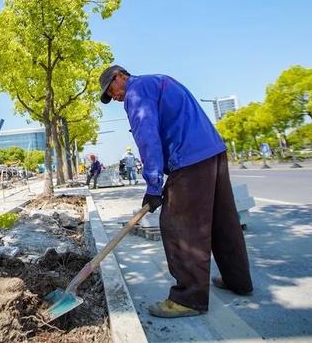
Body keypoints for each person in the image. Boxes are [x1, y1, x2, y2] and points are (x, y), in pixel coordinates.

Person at [99, 64, 252, 318]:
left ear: (120, 76)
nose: (113, 97)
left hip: (188, 157)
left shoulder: (136, 91)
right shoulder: (159, 80)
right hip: (212, 151)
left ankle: (189, 298)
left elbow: (147, 137)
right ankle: (239, 281)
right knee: (223, 221)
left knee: (179, 226)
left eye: (111, 90)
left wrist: (153, 185)